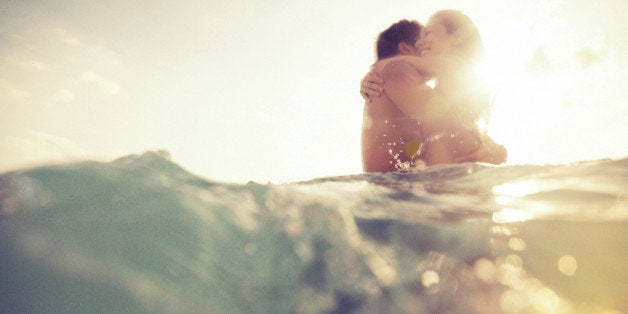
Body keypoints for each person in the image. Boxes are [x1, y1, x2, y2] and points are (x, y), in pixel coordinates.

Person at [361, 10, 506, 173]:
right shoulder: (395, 72)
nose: (422, 44)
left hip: (408, 189)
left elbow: (445, 127)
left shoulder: (453, 82)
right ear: (405, 48)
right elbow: (447, 130)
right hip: (400, 190)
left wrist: (496, 151)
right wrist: (480, 151)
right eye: (420, 39)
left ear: (457, 37)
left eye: (428, 34)